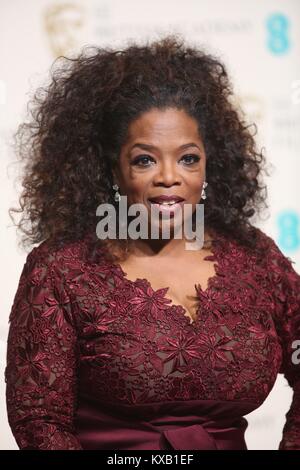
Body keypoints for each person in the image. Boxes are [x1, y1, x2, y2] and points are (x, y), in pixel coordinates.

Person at [5, 34, 300, 450]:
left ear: (208, 163)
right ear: (113, 169)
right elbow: (39, 419)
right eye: (145, 159)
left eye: (188, 158)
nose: (168, 177)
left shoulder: (255, 257)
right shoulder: (61, 269)